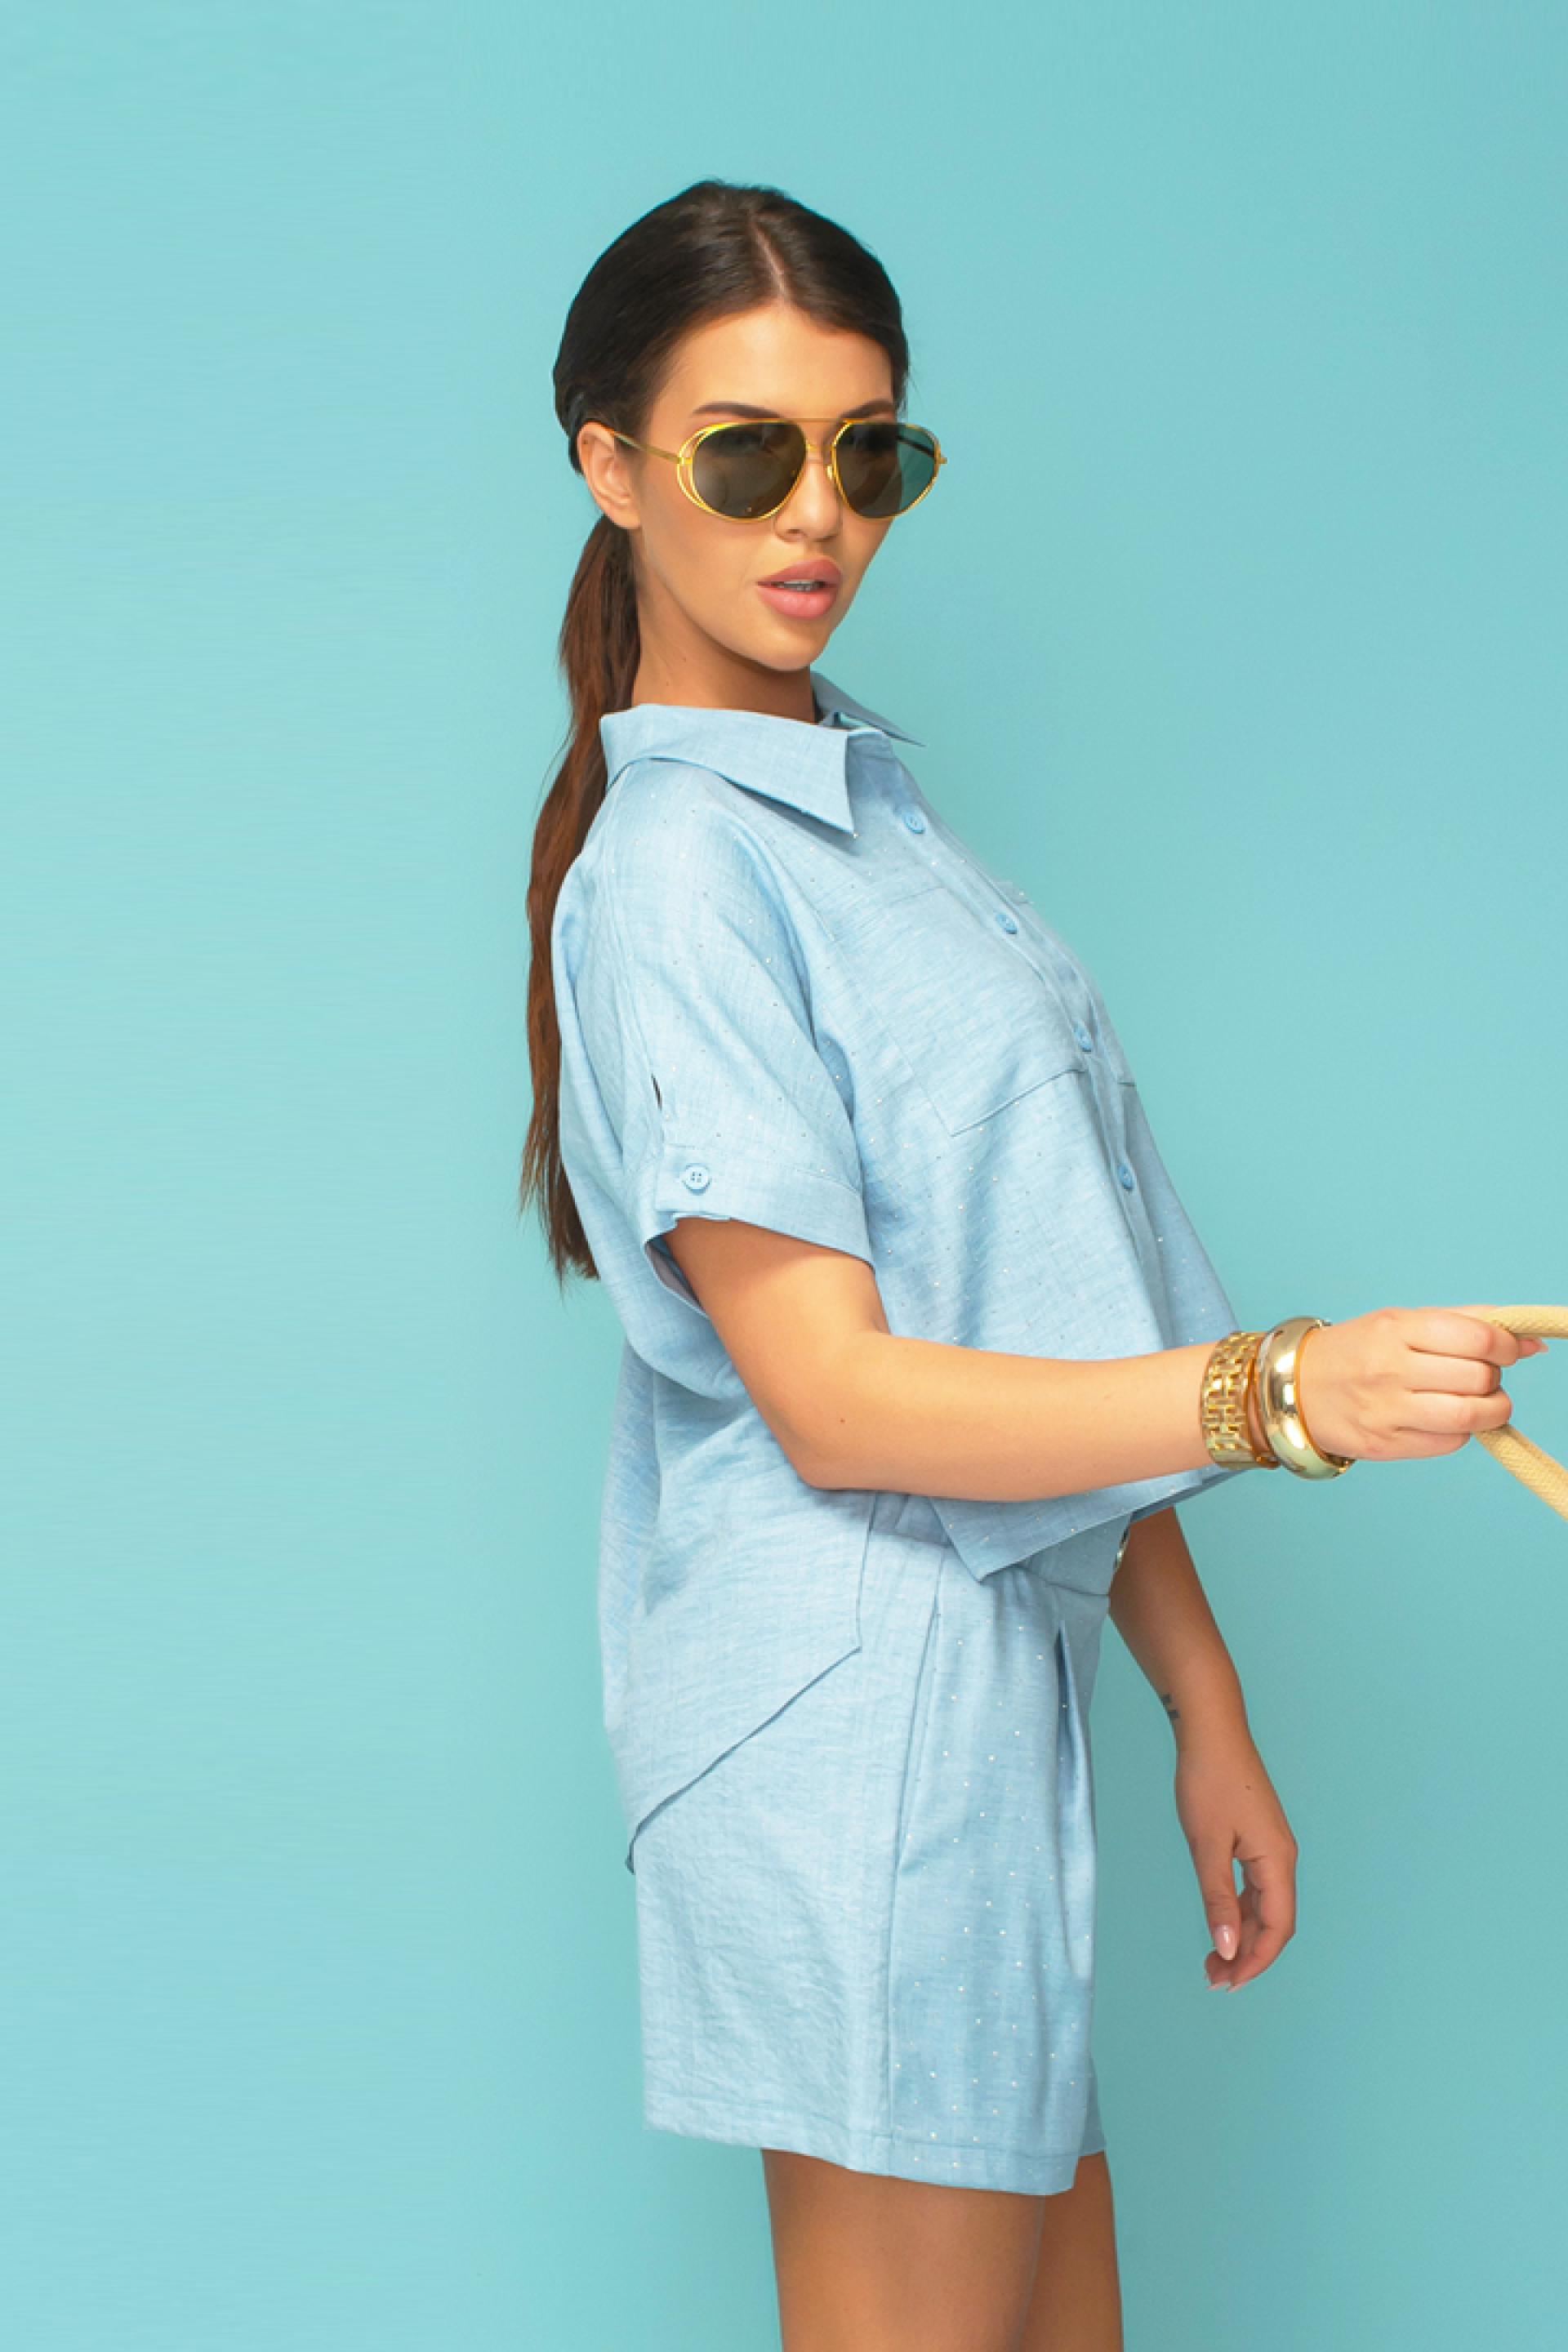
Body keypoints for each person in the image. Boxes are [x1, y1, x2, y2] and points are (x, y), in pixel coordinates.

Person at [520, 179, 1543, 2352]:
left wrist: (1204, 1700)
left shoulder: (879, 821)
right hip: (848, 1735)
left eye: (866, 452)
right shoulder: (681, 875)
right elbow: (838, 1398)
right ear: (611, 466)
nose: (817, 514)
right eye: (746, 453)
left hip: (991, 1707)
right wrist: (1285, 1390)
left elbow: (1043, 1303)